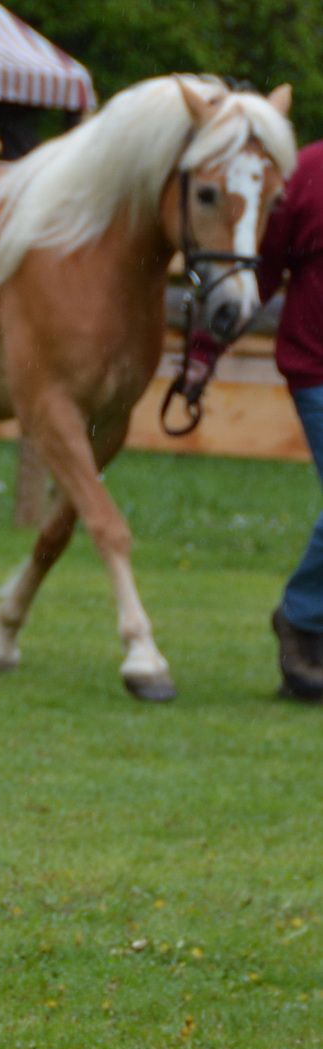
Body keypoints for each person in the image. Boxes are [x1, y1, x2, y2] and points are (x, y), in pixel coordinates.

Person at [260, 140, 323, 701]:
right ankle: (302, 617)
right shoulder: (306, 171)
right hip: (317, 367)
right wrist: (205, 352)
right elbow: (262, 268)